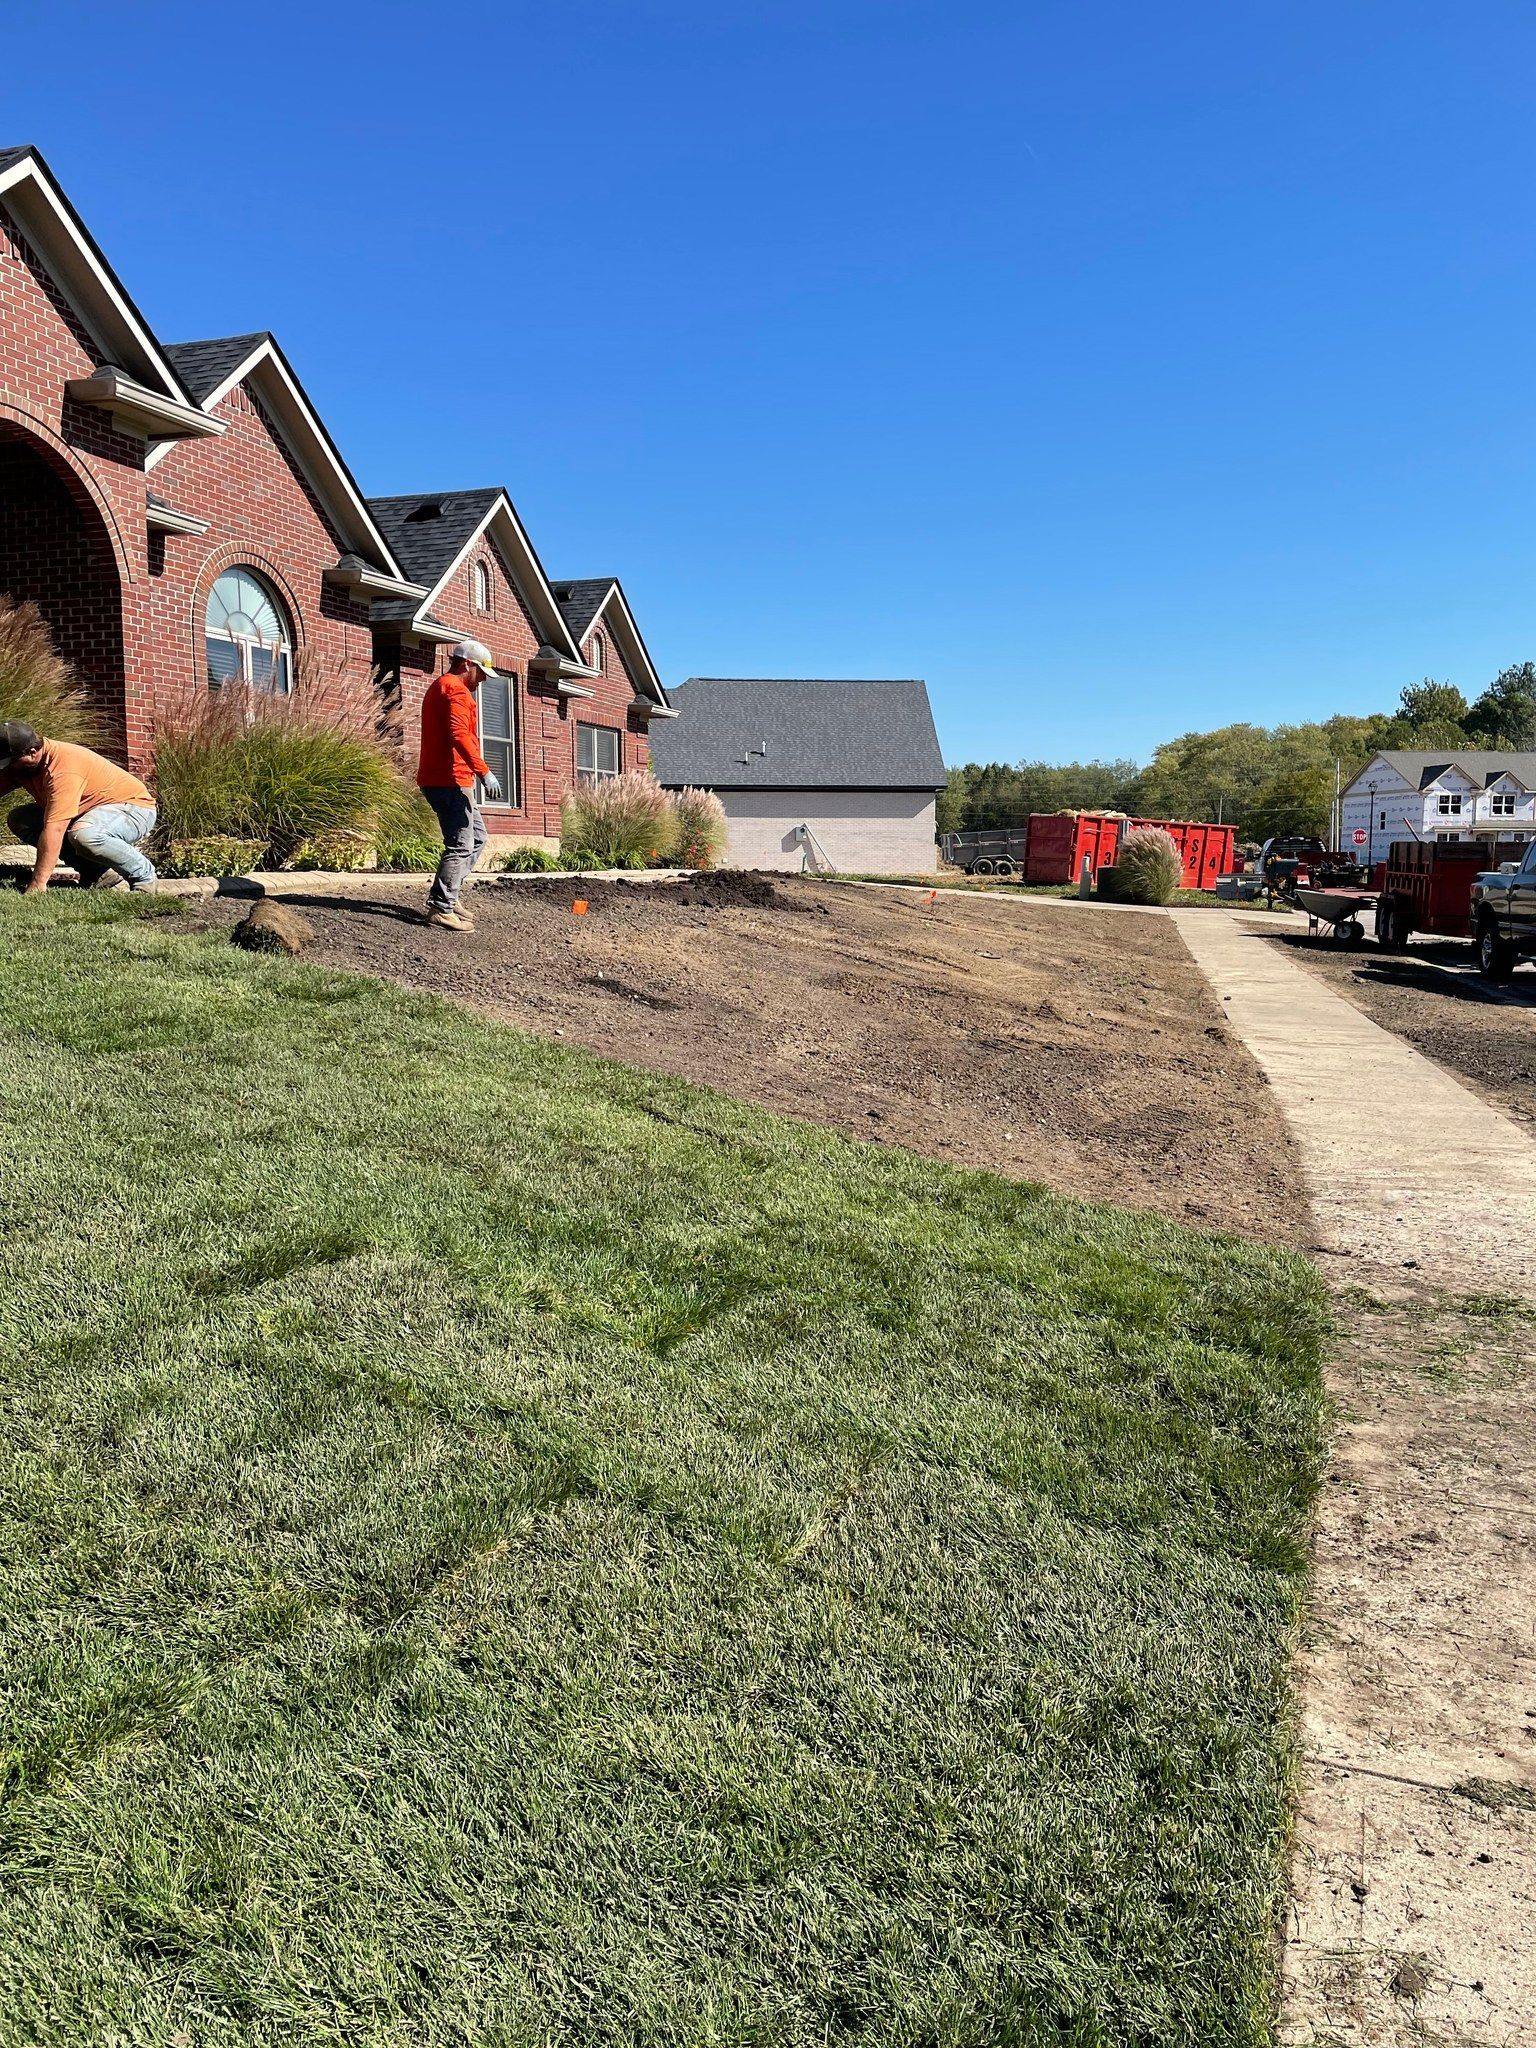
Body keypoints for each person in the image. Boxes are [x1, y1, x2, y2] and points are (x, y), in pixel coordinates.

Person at [0, 720, 158, 894]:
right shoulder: (21, 767)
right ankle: (99, 873)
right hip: (87, 813)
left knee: (85, 835)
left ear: (32, 752)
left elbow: (56, 828)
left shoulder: (63, 769)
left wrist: (37, 883)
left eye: (10, 762)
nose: (7, 768)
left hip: (133, 808)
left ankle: (144, 877)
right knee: (21, 819)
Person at [416, 640, 502, 931]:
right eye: (481, 674)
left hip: (442, 778)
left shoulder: (440, 685)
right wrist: (485, 773)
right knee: (461, 843)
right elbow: (459, 735)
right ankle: (441, 908)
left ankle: (449, 895)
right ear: (467, 664)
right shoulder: (455, 690)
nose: (482, 681)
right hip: (449, 780)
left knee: (477, 837)